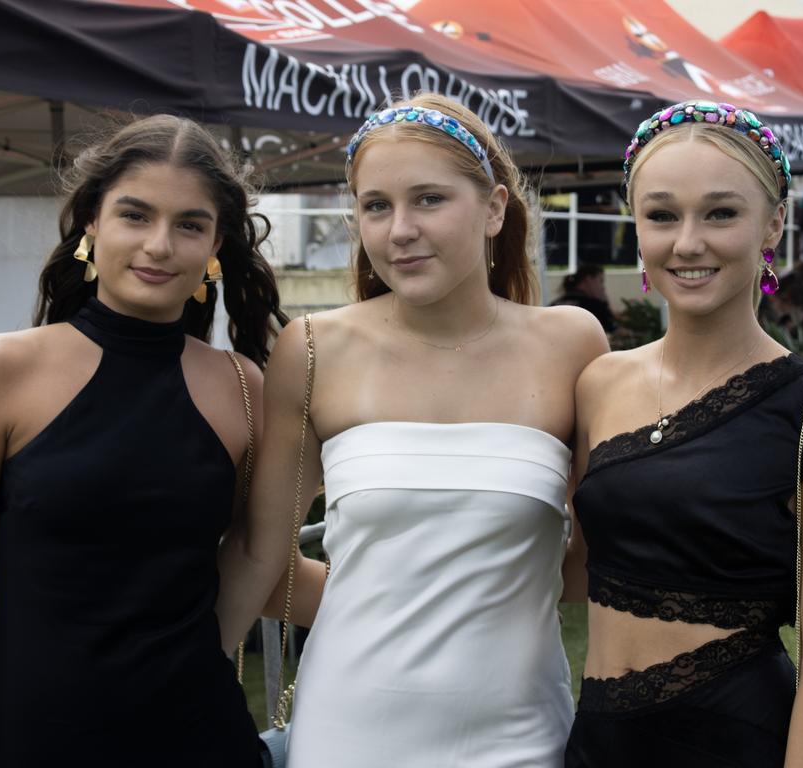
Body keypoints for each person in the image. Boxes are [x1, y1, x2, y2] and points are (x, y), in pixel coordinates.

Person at [220, 93, 608, 767]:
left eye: (428, 199)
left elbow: (598, 561)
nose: (399, 229)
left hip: (520, 737)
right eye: (376, 205)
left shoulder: (572, 343)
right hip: (346, 731)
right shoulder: (312, 349)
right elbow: (262, 557)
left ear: (493, 208)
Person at [0, 115, 288, 767]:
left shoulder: (240, 385)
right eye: (135, 215)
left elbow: (261, 558)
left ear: (215, 244)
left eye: (189, 225)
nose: (159, 245)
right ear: (92, 219)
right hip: (38, 742)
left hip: (204, 741)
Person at [563, 101, 803, 766]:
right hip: (597, 743)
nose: (688, 242)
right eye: (662, 214)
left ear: (774, 223)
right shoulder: (598, 384)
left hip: (736, 741)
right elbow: (568, 572)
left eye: (721, 212)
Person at [551, 264, 618, 333]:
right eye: (601, 281)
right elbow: (613, 331)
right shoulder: (595, 306)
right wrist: (605, 302)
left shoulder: (553, 305)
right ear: (589, 280)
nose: (603, 288)